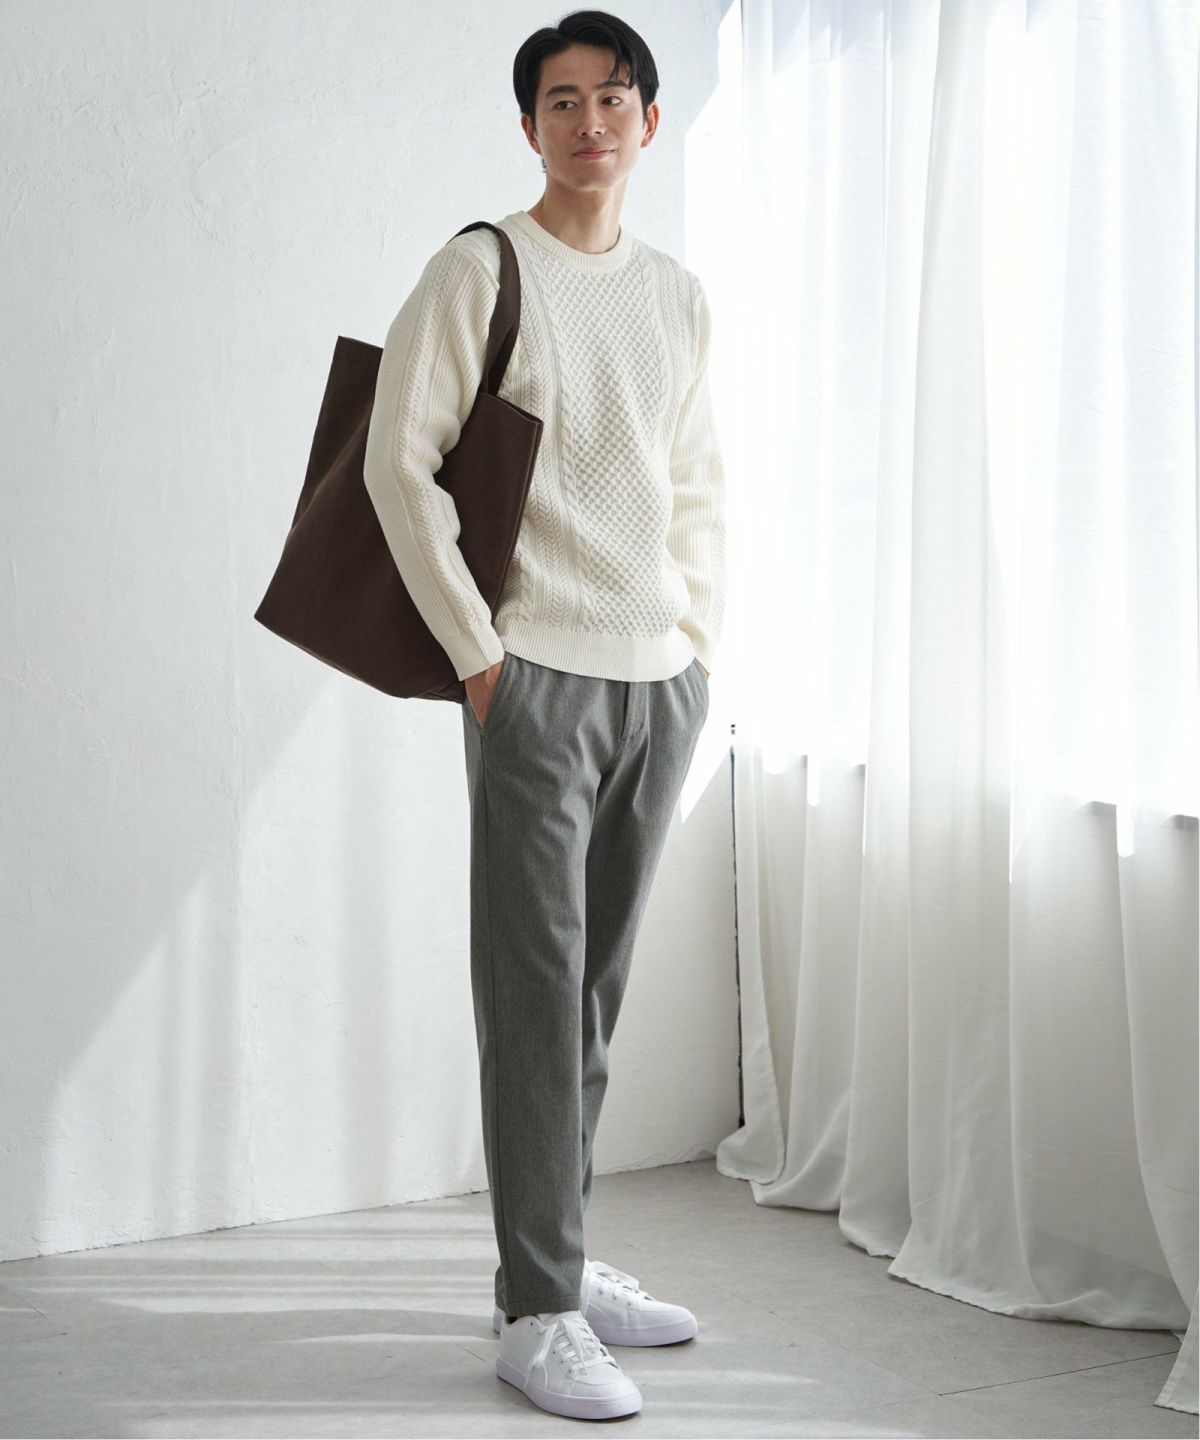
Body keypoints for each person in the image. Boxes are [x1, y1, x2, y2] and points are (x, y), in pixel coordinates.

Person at [362, 8, 726, 1422]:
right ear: (529, 126)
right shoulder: (482, 268)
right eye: (561, 100)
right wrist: (480, 661)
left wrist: (698, 652)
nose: (589, 122)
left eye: (612, 98)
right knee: (533, 995)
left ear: (649, 121)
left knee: (593, 999)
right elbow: (397, 466)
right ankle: (536, 1310)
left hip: (657, 684)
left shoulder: (678, 296)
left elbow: (697, 485)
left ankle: (559, 1261)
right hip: (535, 680)